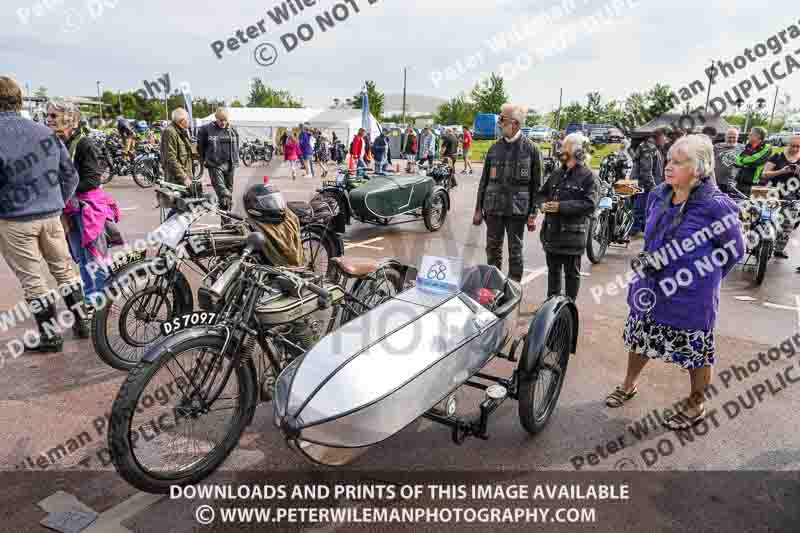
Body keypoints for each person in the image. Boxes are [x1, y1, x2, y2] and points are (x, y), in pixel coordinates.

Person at [606, 135, 745, 430]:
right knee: (640, 339)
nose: (668, 166)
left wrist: (704, 278)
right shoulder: (659, 193)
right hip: (651, 289)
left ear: (700, 167)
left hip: (691, 297)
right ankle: (629, 384)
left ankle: (696, 405)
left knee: (695, 354)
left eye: (678, 162)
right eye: (669, 159)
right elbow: (650, 234)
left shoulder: (717, 205)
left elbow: (735, 251)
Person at [0, 77, 84, 352]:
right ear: (20, 100)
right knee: (64, 269)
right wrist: (58, 201)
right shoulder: (45, 132)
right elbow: (70, 174)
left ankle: (50, 336)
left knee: (33, 280)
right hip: (50, 214)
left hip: (14, 218)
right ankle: (82, 323)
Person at [47, 100, 118, 326]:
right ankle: (91, 297)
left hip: (88, 208)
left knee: (93, 257)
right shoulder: (58, 142)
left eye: (53, 116)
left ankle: (99, 301)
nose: (48, 120)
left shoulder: (84, 143)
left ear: (70, 119)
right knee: (80, 257)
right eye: (48, 116)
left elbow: (92, 179)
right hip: (70, 207)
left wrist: (62, 189)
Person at [473, 103, 542, 282]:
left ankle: (513, 287)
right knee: (492, 249)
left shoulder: (532, 150)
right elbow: (484, 181)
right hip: (494, 207)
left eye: (502, 120)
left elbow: (537, 186)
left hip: (517, 210)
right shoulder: (494, 149)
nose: (499, 124)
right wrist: (478, 209)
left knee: (515, 251)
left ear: (516, 123)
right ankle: (492, 285)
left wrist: (533, 213)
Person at [533, 133, 597, 300]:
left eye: (565, 148)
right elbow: (541, 194)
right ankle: (551, 308)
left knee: (571, 275)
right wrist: (542, 205)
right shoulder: (556, 174)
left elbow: (590, 205)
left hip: (572, 238)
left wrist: (561, 207)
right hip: (552, 235)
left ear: (577, 152)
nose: (561, 150)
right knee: (553, 274)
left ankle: (569, 309)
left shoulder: (589, 177)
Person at [762, 134, 800, 259]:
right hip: (773, 193)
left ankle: (779, 249)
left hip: (793, 195)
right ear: (788, 144)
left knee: (788, 224)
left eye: (798, 147)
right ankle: (762, 245)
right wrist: (781, 171)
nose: (795, 149)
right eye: (792, 146)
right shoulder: (777, 156)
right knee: (767, 219)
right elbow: (764, 174)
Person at [198, 108, 239, 211]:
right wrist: (203, 160)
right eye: (221, 120)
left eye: (225, 120)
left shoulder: (233, 130)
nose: (223, 122)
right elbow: (201, 147)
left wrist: (235, 161)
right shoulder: (206, 129)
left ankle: (226, 220)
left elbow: (236, 146)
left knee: (226, 196)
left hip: (230, 165)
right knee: (224, 192)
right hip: (215, 165)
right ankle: (226, 216)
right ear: (216, 118)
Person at [630, 134, 663, 235]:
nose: (665, 139)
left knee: (643, 207)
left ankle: (640, 228)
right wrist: (654, 187)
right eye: (663, 137)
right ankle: (636, 229)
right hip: (644, 184)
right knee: (640, 208)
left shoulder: (649, 147)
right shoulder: (648, 148)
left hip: (643, 183)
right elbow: (646, 171)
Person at [160, 108, 194, 189]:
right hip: (175, 179)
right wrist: (184, 177)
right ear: (182, 121)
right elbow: (171, 158)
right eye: (188, 119)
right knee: (174, 201)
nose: (189, 121)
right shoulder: (170, 132)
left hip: (183, 176)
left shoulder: (182, 131)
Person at [734, 126, 772, 197]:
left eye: (751, 134)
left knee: (747, 205)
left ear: (758, 136)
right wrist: (743, 162)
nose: (748, 136)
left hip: (752, 183)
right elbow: (737, 160)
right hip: (740, 180)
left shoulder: (767, 147)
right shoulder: (749, 145)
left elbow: (756, 160)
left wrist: (743, 161)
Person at [712, 127, 744, 196]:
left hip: (734, 184)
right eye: (729, 137)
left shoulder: (742, 148)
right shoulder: (716, 147)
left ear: (737, 137)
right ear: (725, 137)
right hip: (718, 183)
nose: (731, 139)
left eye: (734, 137)